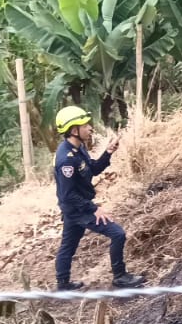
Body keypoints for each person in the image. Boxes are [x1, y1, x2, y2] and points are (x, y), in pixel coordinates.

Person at [53, 106, 145, 290]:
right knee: (118, 234)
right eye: (85, 125)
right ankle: (120, 276)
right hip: (77, 209)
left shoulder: (78, 149)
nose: (90, 128)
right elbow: (68, 194)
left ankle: (63, 284)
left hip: (74, 208)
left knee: (68, 245)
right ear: (74, 130)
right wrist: (93, 209)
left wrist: (108, 152)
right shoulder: (66, 160)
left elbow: (93, 169)